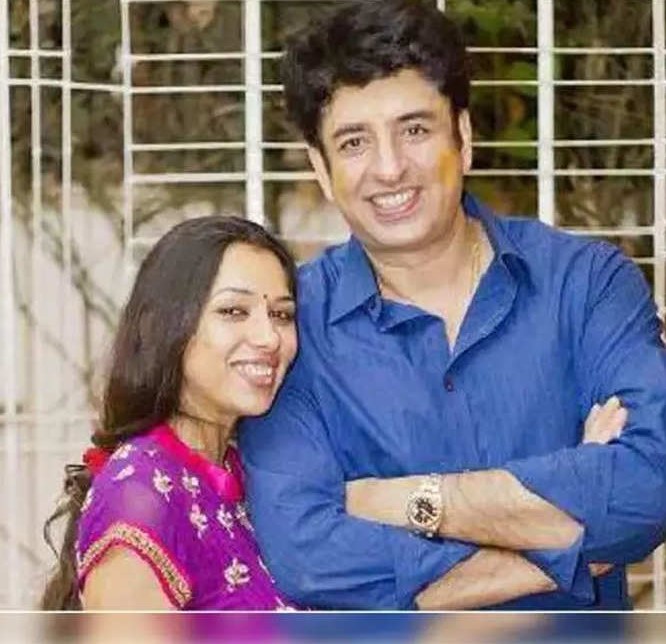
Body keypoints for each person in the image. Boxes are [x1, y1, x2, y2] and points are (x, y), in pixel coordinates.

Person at [239, 0, 666, 610]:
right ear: (322, 170)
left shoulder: (587, 284)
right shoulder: (291, 328)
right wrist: (570, 549)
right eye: (354, 142)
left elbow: (649, 487)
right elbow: (308, 557)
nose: (390, 168)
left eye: (414, 130)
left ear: (463, 138)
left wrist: (409, 500)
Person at [41, 216, 298, 610]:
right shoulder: (140, 494)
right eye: (233, 311)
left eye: (282, 314)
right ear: (160, 326)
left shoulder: (241, 467)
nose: (269, 338)